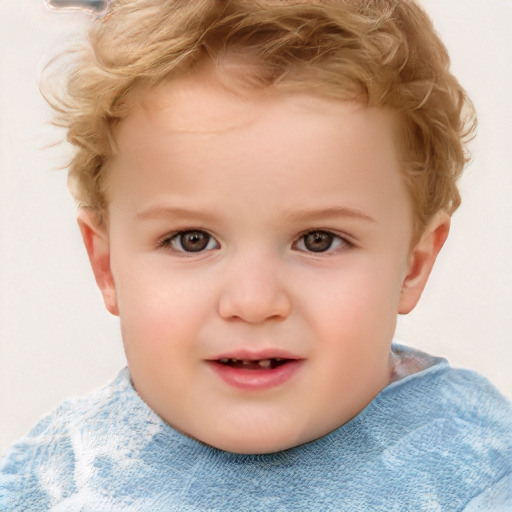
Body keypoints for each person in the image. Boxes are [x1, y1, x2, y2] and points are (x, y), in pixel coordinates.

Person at [1, 0, 511, 510]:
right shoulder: (52, 485)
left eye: (319, 240)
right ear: (107, 265)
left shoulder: (481, 472)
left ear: (413, 265)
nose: (253, 301)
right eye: (192, 240)